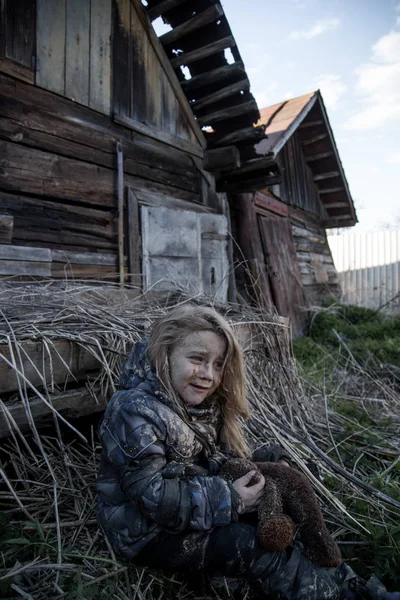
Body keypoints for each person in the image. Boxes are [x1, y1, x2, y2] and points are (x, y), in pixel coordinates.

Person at [96, 305, 398, 600]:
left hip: (196, 505)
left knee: (286, 482)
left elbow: (210, 460)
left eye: (217, 365)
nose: (208, 374)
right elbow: (152, 495)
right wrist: (231, 499)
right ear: (165, 354)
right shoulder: (134, 411)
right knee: (248, 543)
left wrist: (262, 464)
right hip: (147, 533)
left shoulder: (193, 400)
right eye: (198, 359)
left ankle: (353, 583)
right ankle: (340, 594)